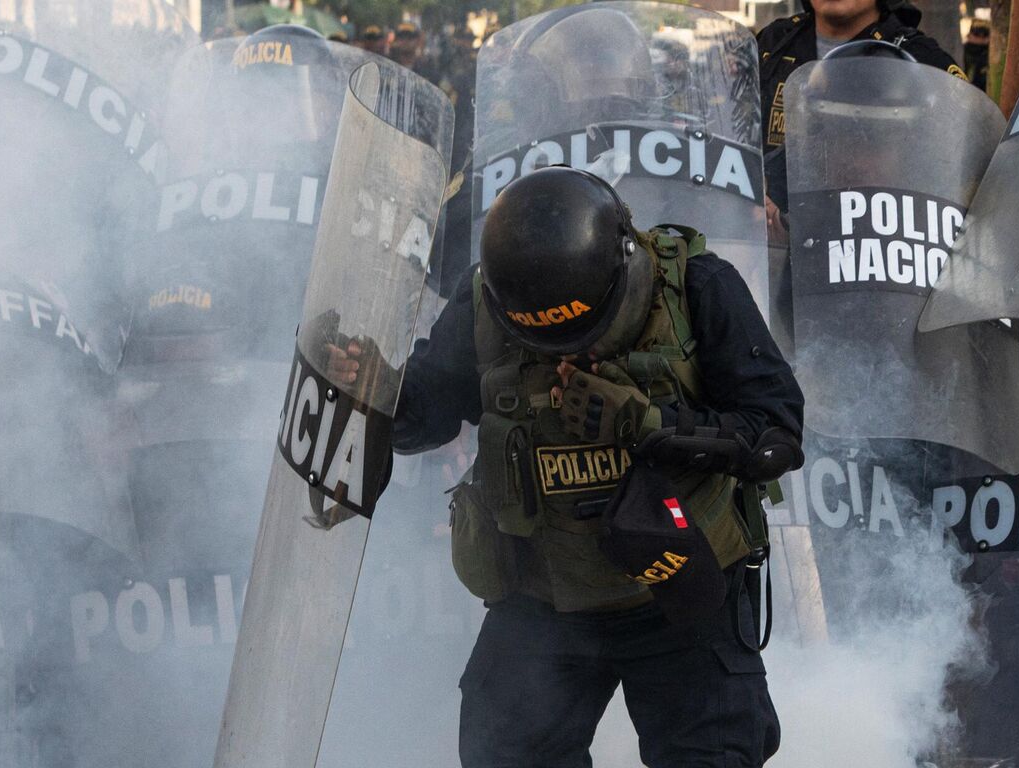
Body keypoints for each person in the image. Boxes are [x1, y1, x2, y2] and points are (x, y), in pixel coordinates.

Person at [334, 167, 803, 767]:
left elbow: (776, 434)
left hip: (682, 585)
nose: (569, 354)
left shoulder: (695, 284)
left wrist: (647, 424)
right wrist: (381, 392)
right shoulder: (485, 303)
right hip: (544, 597)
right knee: (504, 755)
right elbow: (429, 412)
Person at [755, 0, 962, 240]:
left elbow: (957, 174)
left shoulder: (925, 62)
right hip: (773, 248)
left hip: (886, 244)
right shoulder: (773, 44)